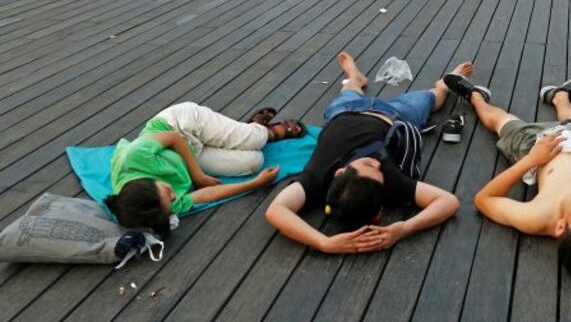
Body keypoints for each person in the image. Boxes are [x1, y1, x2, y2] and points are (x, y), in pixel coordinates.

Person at [442, 74, 571, 279]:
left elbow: (484, 199)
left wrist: (532, 159)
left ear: (560, 227)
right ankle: (560, 96)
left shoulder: (537, 217)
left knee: (499, 120)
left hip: (537, 147)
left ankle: (475, 96)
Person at [265, 52, 461, 254]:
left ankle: (354, 78)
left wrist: (323, 242)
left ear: (340, 172)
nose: (377, 164)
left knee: (350, 89)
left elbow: (276, 210)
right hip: (393, 114)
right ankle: (443, 85)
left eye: (367, 165)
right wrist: (404, 228)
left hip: (345, 110)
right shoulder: (385, 179)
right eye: (378, 170)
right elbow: (449, 202)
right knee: (431, 99)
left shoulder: (316, 176)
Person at [105, 103, 304, 237]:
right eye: (171, 201)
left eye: (168, 192)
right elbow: (206, 196)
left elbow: (174, 138)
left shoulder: (134, 156)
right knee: (253, 161)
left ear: (148, 182)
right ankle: (248, 128)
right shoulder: (158, 207)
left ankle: (264, 130)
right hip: (189, 156)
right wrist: (254, 183)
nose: (174, 196)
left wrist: (198, 176)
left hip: (181, 126)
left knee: (255, 140)